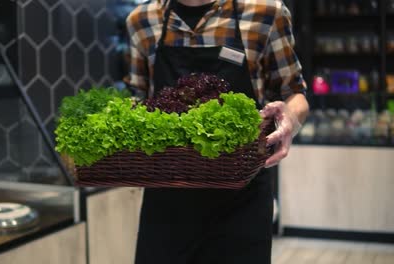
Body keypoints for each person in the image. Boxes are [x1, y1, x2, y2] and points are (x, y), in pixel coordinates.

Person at [126, 0, 309, 263]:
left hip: (242, 201)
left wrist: (290, 117)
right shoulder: (142, 20)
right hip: (166, 203)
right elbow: (138, 99)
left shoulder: (266, 13)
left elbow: (295, 94)